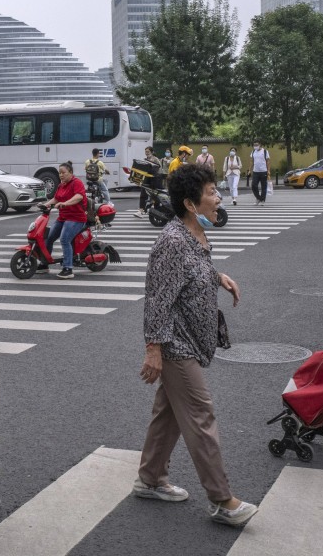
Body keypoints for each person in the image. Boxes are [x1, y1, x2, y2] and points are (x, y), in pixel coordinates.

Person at [134, 164, 258, 527]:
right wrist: (153, 348)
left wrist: (218, 277)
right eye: (211, 192)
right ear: (191, 203)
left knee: (169, 413)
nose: (218, 197)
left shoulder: (196, 235)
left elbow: (190, 273)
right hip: (177, 344)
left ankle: (151, 478)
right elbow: (158, 300)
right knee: (201, 414)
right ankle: (222, 500)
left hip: (189, 338)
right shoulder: (172, 242)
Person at [39, 162, 88, 280]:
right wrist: (45, 205)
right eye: (59, 173)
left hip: (76, 218)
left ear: (70, 172)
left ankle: (68, 268)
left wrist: (65, 204)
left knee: (64, 239)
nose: (61, 175)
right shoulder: (61, 185)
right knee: (49, 238)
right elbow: (56, 198)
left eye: (63, 173)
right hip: (63, 218)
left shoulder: (77, 183)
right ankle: (44, 264)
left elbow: (79, 196)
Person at [137, 146, 162, 217]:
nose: (146, 153)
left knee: (155, 195)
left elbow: (159, 168)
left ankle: (156, 209)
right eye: (146, 152)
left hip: (155, 180)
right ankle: (141, 210)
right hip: (146, 179)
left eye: (148, 151)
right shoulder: (145, 160)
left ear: (152, 152)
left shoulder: (156, 159)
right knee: (143, 194)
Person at [249, 141, 270, 205]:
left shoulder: (265, 151)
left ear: (260, 145)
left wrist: (268, 170)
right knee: (253, 186)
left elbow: (268, 161)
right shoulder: (253, 152)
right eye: (254, 145)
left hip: (263, 171)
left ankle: (262, 200)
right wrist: (249, 170)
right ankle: (258, 198)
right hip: (256, 171)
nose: (255, 146)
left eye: (256, 145)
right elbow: (251, 161)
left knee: (264, 186)